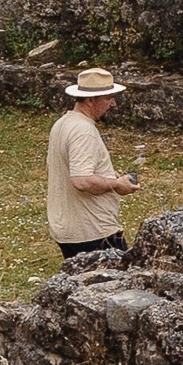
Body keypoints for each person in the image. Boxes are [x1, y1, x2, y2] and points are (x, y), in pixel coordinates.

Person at [47, 68, 141, 261]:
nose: (113, 104)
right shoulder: (83, 131)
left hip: (70, 227)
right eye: (108, 98)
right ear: (90, 100)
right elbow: (81, 180)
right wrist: (116, 184)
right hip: (92, 230)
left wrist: (105, 175)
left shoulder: (64, 123)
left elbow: (72, 166)